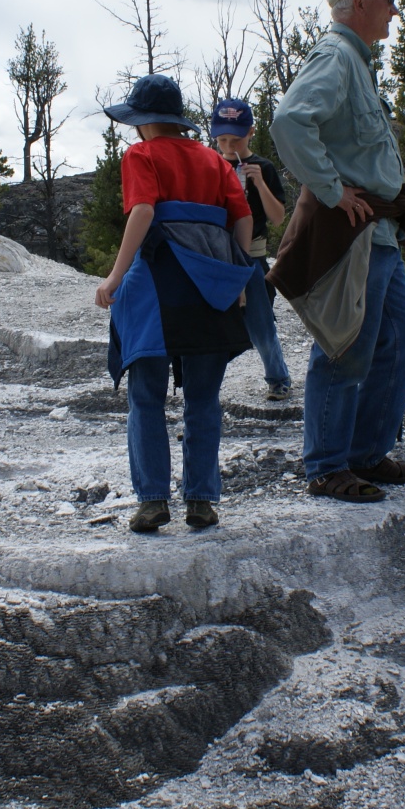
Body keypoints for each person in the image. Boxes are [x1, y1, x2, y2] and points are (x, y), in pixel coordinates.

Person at [270, 0, 405, 503]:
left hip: (378, 235)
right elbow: (289, 121)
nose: (394, 10)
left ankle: (365, 453)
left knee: (402, 340)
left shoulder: (357, 61)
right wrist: (333, 191)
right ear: (360, 2)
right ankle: (327, 466)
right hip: (356, 234)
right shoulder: (336, 55)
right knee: (344, 345)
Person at [95, 74, 255, 534]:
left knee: (146, 397)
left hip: (156, 288)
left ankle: (152, 502)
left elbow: (144, 211)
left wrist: (115, 275)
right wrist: (237, 275)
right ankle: (201, 502)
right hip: (210, 289)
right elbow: (242, 218)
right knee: (203, 399)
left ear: (143, 121)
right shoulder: (214, 159)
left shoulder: (140, 154)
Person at [210, 98, 292, 400]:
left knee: (261, 324)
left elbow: (278, 217)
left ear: (251, 132)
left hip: (253, 257)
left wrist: (259, 184)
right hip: (219, 255)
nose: (229, 146)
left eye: (236, 139)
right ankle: (206, 384)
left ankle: (278, 377)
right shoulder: (211, 165)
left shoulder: (263, 168)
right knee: (214, 324)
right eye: (222, 140)